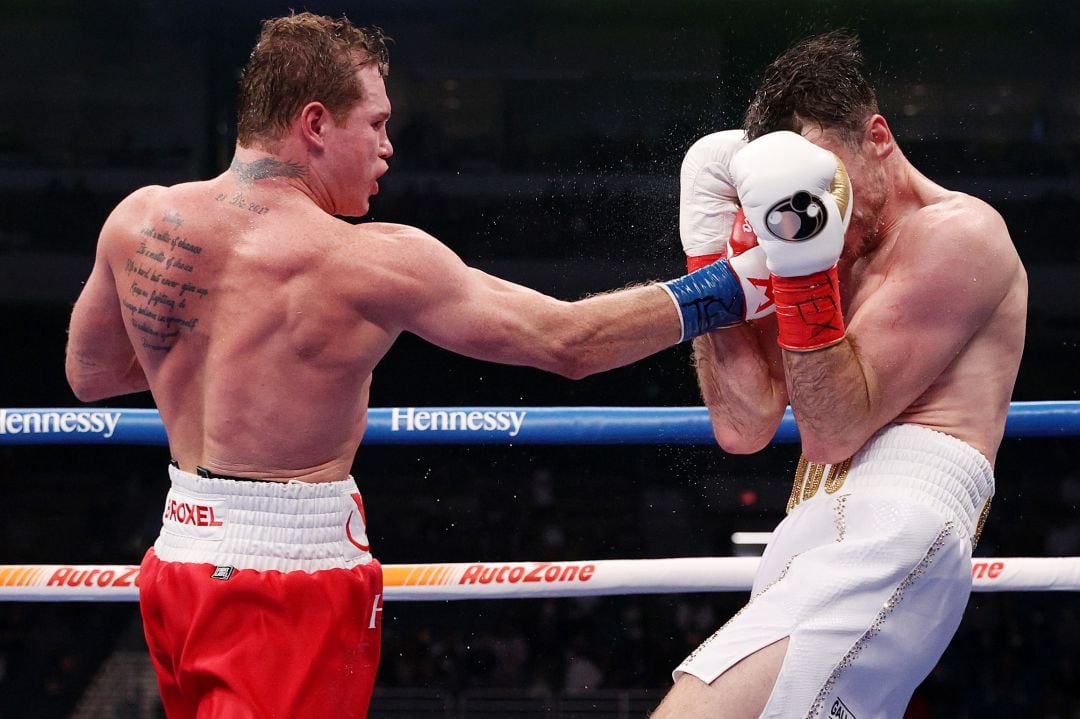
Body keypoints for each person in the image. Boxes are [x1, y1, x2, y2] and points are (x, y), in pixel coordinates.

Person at [63, 11, 771, 719]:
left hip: (177, 558)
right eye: (374, 124)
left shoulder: (140, 221)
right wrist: (736, 287)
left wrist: (209, 349)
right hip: (287, 584)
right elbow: (567, 342)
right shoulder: (368, 261)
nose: (388, 147)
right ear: (315, 123)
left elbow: (90, 375)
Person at [653, 30, 1026, 718]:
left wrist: (798, 268)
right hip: (810, 526)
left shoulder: (961, 234)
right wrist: (707, 249)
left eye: (827, 176)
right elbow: (743, 423)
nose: (820, 202)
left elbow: (833, 426)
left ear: (877, 137)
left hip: (894, 525)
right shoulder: (819, 245)